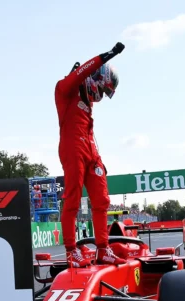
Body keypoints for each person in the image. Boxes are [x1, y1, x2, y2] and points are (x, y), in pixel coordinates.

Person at [55, 42, 126, 268]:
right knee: (73, 198)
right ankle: (71, 251)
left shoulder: (87, 101)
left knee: (102, 199)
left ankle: (103, 249)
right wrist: (104, 57)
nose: (101, 96)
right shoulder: (65, 89)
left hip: (90, 148)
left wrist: (99, 160)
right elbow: (81, 73)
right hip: (72, 146)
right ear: (94, 78)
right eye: (103, 90)